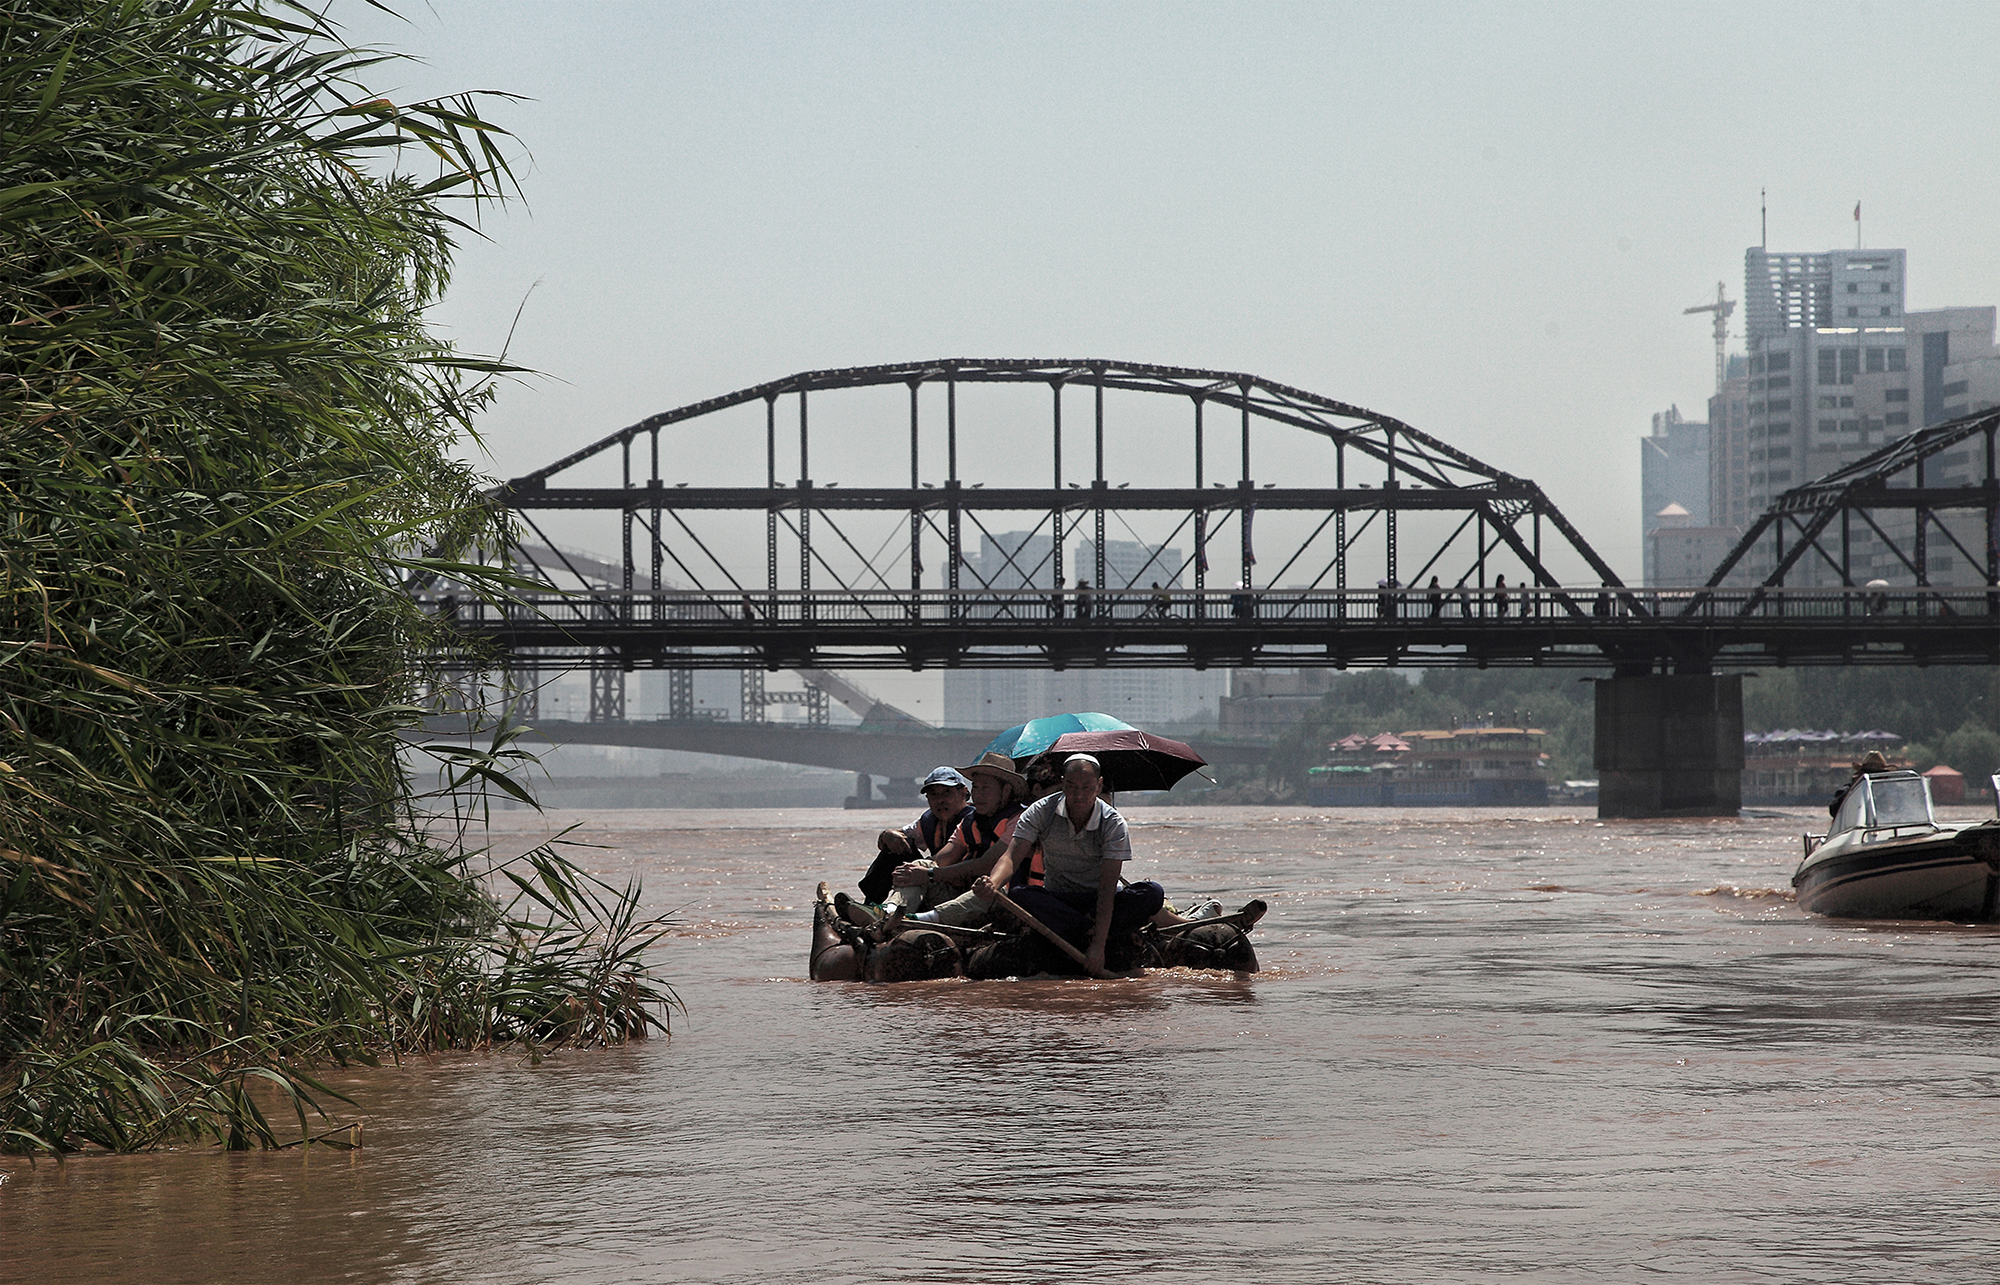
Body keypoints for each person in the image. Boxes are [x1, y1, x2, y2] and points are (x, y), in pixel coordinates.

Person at [974, 754, 1164, 976]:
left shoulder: (1112, 823)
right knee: (1019, 893)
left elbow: (1106, 888)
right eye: (1072, 786)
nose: (1079, 794)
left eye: (1087, 787)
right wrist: (993, 883)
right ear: (1063, 783)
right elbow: (1011, 857)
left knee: (1152, 893)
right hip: (1060, 899)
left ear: (1099, 785)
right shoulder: (1041, 811)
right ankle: (1084, 928)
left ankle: (1084, 929)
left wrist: (1098, 947)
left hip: (1099, 899)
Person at [897, 751, 1031, 922]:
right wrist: (913, 871)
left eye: (985, 788)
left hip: (1001, 900)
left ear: (1006, 791)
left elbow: (986, 864)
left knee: (991, 887)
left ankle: (923, 919)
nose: (978, 794)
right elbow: (942, 860)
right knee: (921, 865)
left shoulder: (1020, 820)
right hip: (964, 892)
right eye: (976, 787)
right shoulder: (970, 821)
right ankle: (890, 911)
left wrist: (931, 874)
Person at [854, 766, 973, 907]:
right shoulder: (928, 821)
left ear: (963, 793)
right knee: (895, 847)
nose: (940, 800)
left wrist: (917, 870)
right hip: (932, 878)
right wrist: (887, 835)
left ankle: (893, 910)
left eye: (947, 793)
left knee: (915, 869)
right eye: (934, 795)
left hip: (959, 890)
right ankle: (870, 904)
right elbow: (890, 839)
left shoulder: (973, 821)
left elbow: (943, 862)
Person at [1829, 749, 1892, 818]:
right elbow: (1834, 811)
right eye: (1869, 772)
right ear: (1861, 774)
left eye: (1878, 774)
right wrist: (1853, 788)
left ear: (1884, 776)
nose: (1873, 778)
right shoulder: (1848, 790)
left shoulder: (1891, 793)